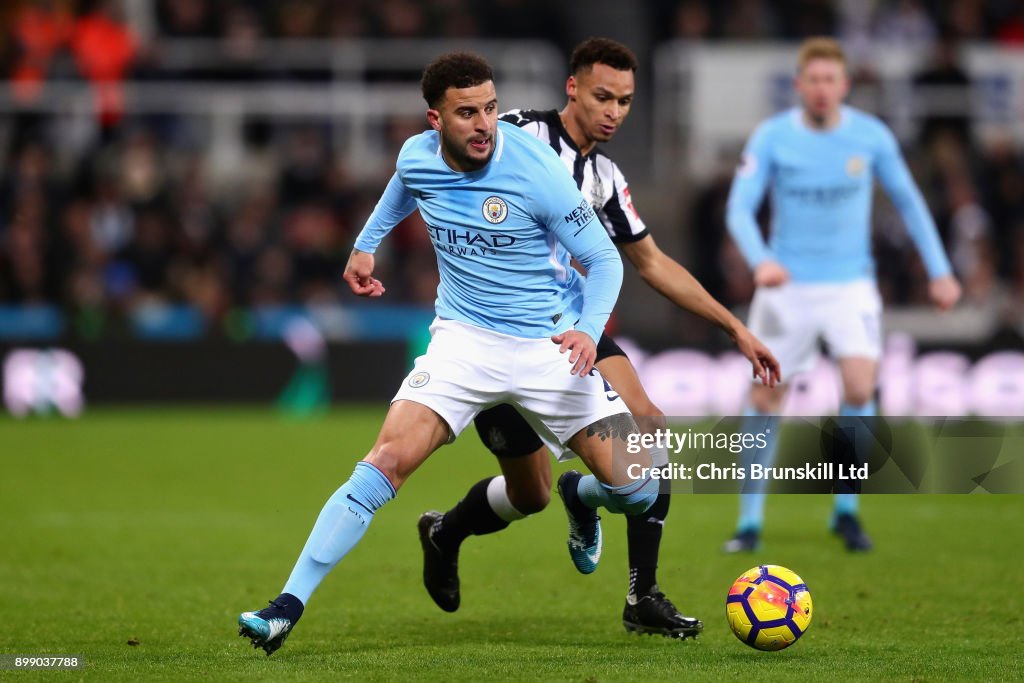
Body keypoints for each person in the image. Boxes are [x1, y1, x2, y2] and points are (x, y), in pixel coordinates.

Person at [237, 51, 661, 656]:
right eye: (467, 113)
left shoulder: (536, 169)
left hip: (546, 345)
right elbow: (403, 187)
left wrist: (590, 330)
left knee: (640, 483)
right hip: (464, 343)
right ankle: (284, 606)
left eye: (490, 107)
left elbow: (604, 259)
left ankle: (581, 494)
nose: (485, 123)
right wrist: (365, 247)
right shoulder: (417, 155)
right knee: (384, 461)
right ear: (436, 120)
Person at [416, 38, 780, 640]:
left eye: (626, 101)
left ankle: (641, 592)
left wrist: (737, 328)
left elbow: (654, 263)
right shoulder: (514, 135)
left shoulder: (606, 178)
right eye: (602, 96)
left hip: (573, 334)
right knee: (528, 495)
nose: (613, 111)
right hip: (495, 335)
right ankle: (448, 530)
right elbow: (445, 155)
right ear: (573, 89)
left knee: (648, 430)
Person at [722, 37, 962, 553]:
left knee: (859, 385)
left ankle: (847, 511)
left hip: (851, 283)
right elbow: (739, 208)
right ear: (799, 85)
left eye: (832, 80)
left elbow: (911, 203)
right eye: (814, 80)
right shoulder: (773, 136)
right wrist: (761, 257)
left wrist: (941, 271)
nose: (823, 89)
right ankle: (748, 522)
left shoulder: (870, 137)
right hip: (787, 287)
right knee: (765, 395)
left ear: (845, 85)